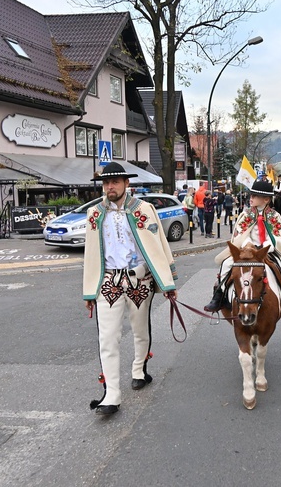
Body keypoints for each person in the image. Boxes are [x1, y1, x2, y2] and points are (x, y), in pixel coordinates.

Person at [82, 162, 178, 416]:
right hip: (108, 283)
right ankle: (111, 395)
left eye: (114, 182)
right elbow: (90, 254)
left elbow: (159, 245)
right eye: (106, 182)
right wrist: (89, 291)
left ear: (127, 184)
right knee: (107, 339)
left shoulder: (144, 210)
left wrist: (168, 282)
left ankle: (138, 370)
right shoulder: (94, 214)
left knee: (139, 331)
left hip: (139, 281)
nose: (109, 187)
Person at [204, 179, 281, 315]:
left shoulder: (275, 216)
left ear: (266, 199)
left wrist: (267, 246)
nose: (251, 198)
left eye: (255, 196)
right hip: (247, 251)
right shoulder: (246, 214)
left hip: (267, 251)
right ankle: (219, 295)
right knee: (226, 263)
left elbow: (279, 236)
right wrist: (248, 244)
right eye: (251, 195)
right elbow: (240, 234)